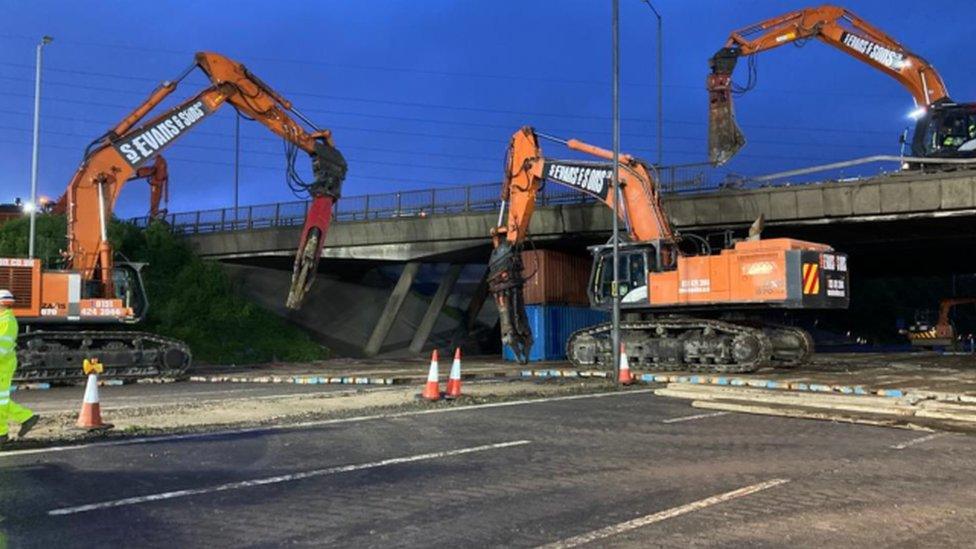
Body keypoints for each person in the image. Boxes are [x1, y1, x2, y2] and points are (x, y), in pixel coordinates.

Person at [0, 289, 39, 445]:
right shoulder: (3, 319)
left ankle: (26, 417)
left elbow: (2, 347)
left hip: (2, 366)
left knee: (0, 401)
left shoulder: (7, 321)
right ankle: (2, 433)